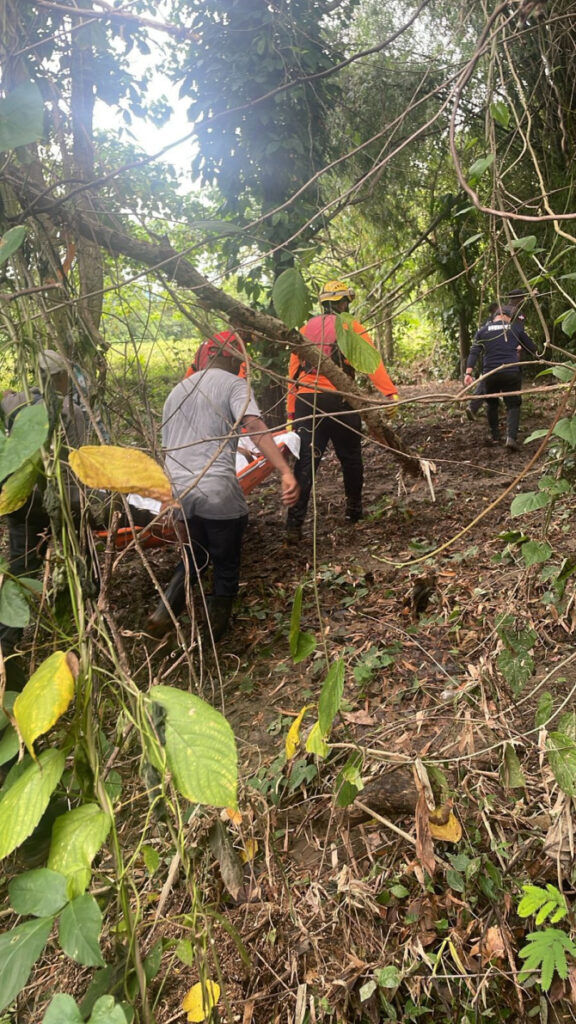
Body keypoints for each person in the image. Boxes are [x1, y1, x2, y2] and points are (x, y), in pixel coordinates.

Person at [145, 332, 299, 641]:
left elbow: (169, 449)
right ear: (229, 357)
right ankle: (215, 635)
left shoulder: (177, 391)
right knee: (226, 561)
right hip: (217, 491)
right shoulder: (233, 385)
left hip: (179, 492)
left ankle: (164, 611)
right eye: (240, 360)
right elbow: (254, 427)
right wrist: (284, 469)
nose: (242, 367)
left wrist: (167, 501)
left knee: (196, 555)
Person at [0, 349, 89, 686]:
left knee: (22, 572)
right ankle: (77, 632)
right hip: (59, 501)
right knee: (78, 565)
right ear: (62, 377)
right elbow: (77, 465)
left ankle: (6, 646)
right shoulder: (72, 412)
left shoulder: (14, 403)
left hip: (20, 499)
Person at [285, 280, 398, 541]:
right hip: (340, 400)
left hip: (306, 402)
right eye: (345, 302)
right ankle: (354, 512)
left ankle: (294, 524)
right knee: (350, 457)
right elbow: (371, 361)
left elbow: (293, 373)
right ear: (341, 304)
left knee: (305, 462)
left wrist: (292, 414)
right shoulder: (350, 326)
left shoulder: (303, 330)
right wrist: (389, 392)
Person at [464, 305, 537, 450]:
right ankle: (511, 438)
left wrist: (468, 373)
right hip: (511, 372)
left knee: (492, 404)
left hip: (490, 373)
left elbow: (474, 352)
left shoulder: (483, 331)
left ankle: (495, 435)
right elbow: (532, 348)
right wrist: (523, 349)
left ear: (494, 317)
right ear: (508, 317)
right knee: (513, 405)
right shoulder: (515, 328)